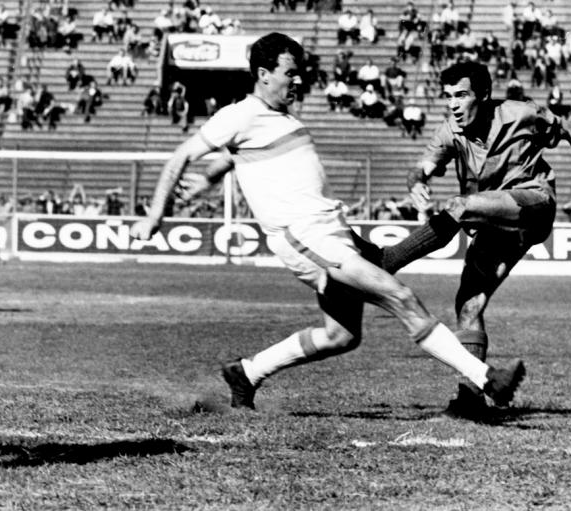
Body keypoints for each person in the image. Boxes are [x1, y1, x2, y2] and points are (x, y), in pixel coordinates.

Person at [129, 33, 527, 412]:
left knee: (341, 336)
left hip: (331, 233)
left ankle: (247, 373)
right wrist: (154, 215)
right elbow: (180, 156)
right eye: (290, 72)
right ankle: (487, 378)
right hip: (305, 238)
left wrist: (213, 175)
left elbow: (239, 155)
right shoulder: (240, 113)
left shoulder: (276, 118)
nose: (298, 80)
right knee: (400, 297)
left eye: (300, 72)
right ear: (263, 74)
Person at [364, 60, 571, 417]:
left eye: (461, 95)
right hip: (493, 223)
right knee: (468, 304)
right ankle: (472, 397)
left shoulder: (520, 113)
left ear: (483, 94)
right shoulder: (450, 131)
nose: (453, 104)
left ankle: (388, 260)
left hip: (534, 204)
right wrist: (416, 182)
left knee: (460, 206)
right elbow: (422, 167)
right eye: (447, 96)